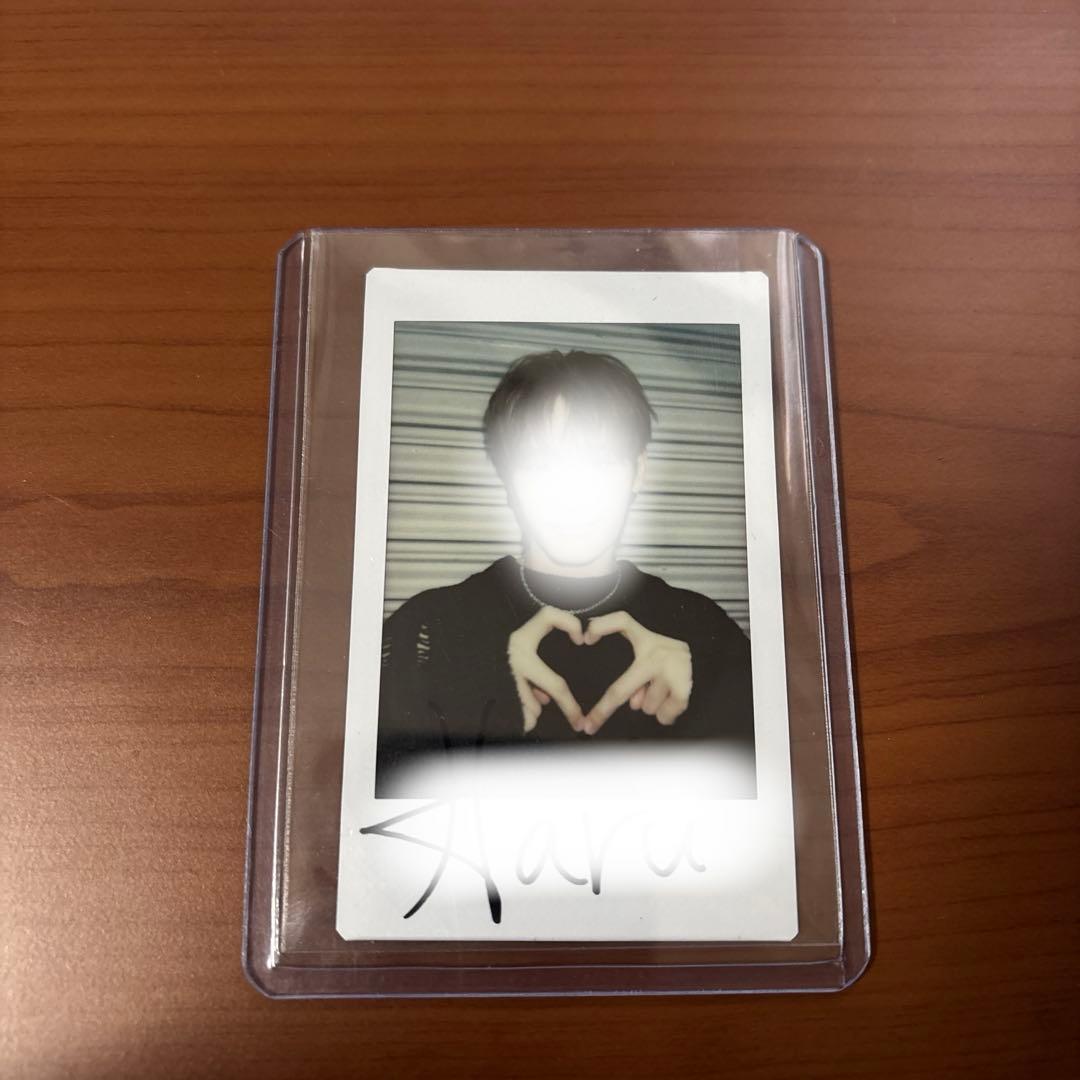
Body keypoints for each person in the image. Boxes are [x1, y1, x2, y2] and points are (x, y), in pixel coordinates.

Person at [375, 348, 755, 795]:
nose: (573, 494)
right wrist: (476, 689)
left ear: (638, 472)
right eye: (540, 463)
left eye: (599, 460)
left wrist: (709, 705)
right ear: (507, 478)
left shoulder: (707, 630)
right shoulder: (426, 630)